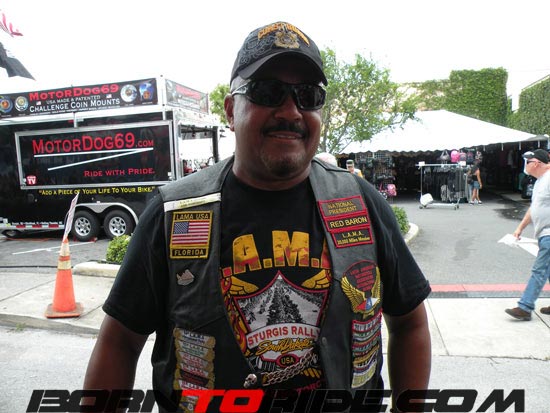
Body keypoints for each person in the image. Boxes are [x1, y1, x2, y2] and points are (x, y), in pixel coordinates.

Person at [84, 21, 431, 412]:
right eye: (268, 91)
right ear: (232, 111)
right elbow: (120, 341)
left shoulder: (361, 204)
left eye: (308, 95)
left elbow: (410, 323)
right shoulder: (174, 213)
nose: (291, 111)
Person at [506, 149, 550, 320]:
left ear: (537, 163)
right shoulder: (540, 182)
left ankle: (525, 307)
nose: (526, 165)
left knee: (540, 270)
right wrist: (520, 228)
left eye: (528, 162)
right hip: (544, 233)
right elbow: (534, 209)